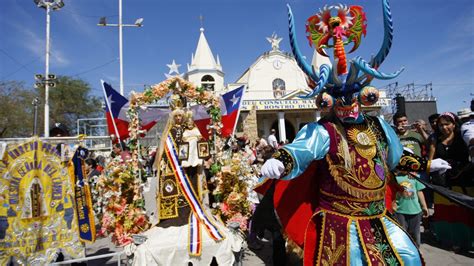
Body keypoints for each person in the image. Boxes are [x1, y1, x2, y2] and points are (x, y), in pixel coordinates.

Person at [259, 1, 450, 264]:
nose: (347, 105)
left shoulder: (378, 126)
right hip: (338, 223)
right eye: (339, 99)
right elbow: (301, 150)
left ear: (362, 97)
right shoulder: (324, 130)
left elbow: (395, 158)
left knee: (407, 259)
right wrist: (281, 160)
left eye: (352, 98)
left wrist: (428, 164)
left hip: (377, 217)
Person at [428, 112, 474, 251]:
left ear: (454, 124)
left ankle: (467, 242)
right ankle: (449, 240)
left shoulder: (463, 138)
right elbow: (429, 162)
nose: (444, 127)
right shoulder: (435, 140)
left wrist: (461, 169)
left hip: (464, 182)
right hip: (443, 183)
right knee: (447, 213)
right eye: (441, 124)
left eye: (447, 124)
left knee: (464, 212)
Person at [393, 172, 429, 247]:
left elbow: (419, 191)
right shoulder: (394, 177)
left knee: (415, 235)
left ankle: (416, 251)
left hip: (415, 210)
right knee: (401, 234)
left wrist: (424, 206)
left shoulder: (414, 177)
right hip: (400, 211)